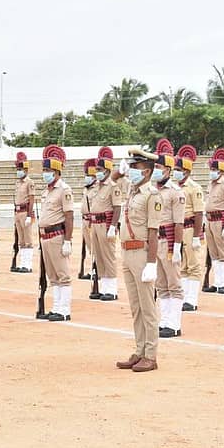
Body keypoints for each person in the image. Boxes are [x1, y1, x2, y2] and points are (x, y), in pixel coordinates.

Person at [115, 149, 161, 373]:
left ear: (147, 171)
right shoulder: (132, 191)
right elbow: (113, 180)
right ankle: (140, 349)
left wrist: (151, 263)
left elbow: (153, 232)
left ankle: (151, 355)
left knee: (147, 307)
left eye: (136, 168)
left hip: (142, 253)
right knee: (135, 307)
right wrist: (119, 171)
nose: (131, 171)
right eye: (131, 167)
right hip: (126, 252)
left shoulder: (152, 195)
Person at [153, 139, 185, 338]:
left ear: (168, 169)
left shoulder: (175, 192)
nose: (156, 170)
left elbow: (179, 222)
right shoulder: (152, 189)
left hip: (169, 240)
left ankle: (174, 324)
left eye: (158, 167)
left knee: (174, 283)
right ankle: (164, 321)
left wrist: (178, 247)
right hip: (155, 240)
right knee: (161, 284)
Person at [39, 145, 75, 322]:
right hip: (45, 237)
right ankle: (56, 307)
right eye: (44, 169)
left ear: (56, 171)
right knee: (52, 276)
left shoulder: (64, 190)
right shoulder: (46, 191)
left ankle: (64, 309)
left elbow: (69, 216)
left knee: (63, 274)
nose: (45, 173)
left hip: (57, 236)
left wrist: (68, 240)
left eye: (48, 170)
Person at [86, 147, 123, 301]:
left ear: (107, 170)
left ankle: (112, 290)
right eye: (96, 169)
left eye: (100, 169)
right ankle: (104, 287)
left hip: (106, 224)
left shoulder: (113, 187)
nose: (97, 172)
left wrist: (113, 226)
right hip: (95, 224)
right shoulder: (96, 187)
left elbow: (117, 207)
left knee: (108, 256)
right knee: (98, 257)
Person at [174, 145, 205, 314]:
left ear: (186, 171)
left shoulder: (194, 188)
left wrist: (196, 236)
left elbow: (199, 213)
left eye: (178, 169)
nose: (176, 172)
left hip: (191, 227)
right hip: (179, 229)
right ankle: (185, 296)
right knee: (183, 265)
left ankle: (192, 299)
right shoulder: (175, 187)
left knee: (193, 264)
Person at [204, 149, 224, 296]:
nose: (212, 172)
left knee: (222, 252)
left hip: (219, 220)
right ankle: (217, 283)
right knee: (213, 253)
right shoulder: (210, 184)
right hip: (209, 220)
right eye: (211, 169)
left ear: (221, 171)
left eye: (214, 169)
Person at [12, 152, 36, 274]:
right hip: (17, 211)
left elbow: (31, 199)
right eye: (18, 169)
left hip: (25, 211)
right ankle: (22, 263)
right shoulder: (18, 183)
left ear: (26, 170)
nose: (19, 171)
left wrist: (29, 215)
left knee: (28, 239)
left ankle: (28, 264)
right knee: (21, 240)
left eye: (21, 169)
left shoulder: (29, 182)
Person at [81, 159, 99, 297]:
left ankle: (97, 272)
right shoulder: (86, 189)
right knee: (90, 248)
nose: (86, 176)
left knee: (96, 249)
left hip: (93, 222)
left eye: (89, 174)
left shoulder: (97, 188)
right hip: (85, 221)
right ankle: (93, 270)